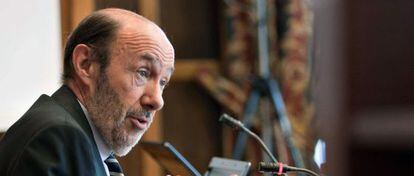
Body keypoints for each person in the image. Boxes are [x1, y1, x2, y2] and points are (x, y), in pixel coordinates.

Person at [0, 8, 175, 175]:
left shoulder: (83, 137)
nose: (157, 101)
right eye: (143, 73)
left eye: (163, 82)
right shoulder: (59, 136)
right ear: (86, 64)